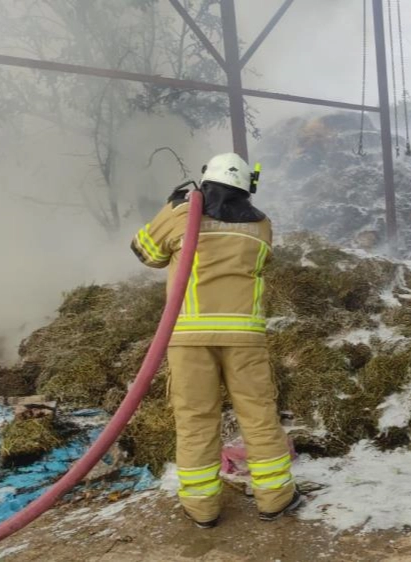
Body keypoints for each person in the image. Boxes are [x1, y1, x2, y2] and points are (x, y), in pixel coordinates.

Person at [130, 152, 302, 528]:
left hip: (189, 338)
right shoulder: (261, 226)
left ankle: (201, 507)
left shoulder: (179, 215)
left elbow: (145, 251)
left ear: (205, 181)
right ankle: (275, 497)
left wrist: (172, 207)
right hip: (245, 337)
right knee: (259, 414)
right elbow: (262, 263)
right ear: (247, 187)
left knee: (195, 418)